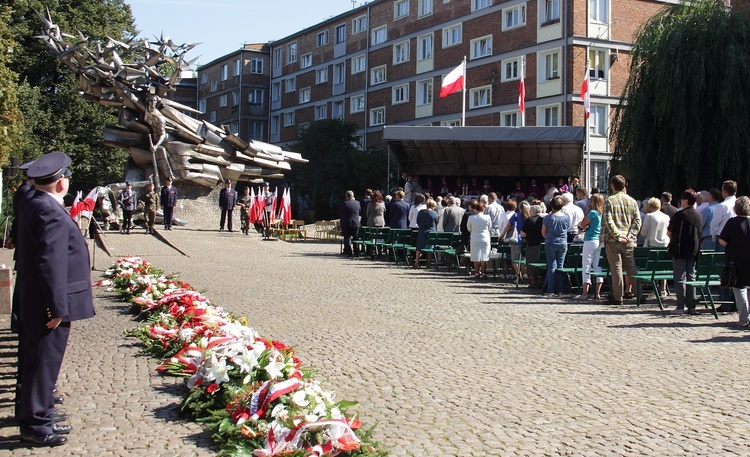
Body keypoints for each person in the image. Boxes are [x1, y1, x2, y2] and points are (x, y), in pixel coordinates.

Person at [16, 151, 95, 447]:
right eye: (66, 177)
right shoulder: (47, 210)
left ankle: (41, 414)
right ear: (60, 182)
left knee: (40, 363)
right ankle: (36, 425)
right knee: (42, 363)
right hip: (47, 304)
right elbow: (50, 262)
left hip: (39, 299)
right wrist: (56, 306)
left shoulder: (37, 203)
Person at [601, 175, 642, 305]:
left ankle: (618, 297)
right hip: (628, 240)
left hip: (614, 240)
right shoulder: (632, 201)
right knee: (631, 267)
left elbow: (608, 220)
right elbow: (637, 221)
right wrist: (630, 235)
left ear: (612, 185)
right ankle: (639, 294)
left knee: (616, 268)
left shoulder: (609, 201)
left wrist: (618, 235)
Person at [667, 189, 703, 315]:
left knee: (680, 277)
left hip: (679, 249)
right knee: (691, 276)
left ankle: (680, 305)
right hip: (693, 250)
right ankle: (691, 306)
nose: (681, 201)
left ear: (686, 200)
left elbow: (669, 232)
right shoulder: (698, 215)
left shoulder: (679, 215)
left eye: (682, 199)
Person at [719, 196, 750, 327]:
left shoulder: (732, 223)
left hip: (736, 260)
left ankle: (744, 318)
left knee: (739, 289)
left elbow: (722, 241)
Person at [711, 180, 738, 311]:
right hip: (738, 241)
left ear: (725, 191)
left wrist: (714, 236)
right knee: (736, 270)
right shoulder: (739, 204)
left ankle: (725, 301)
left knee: (723, 270)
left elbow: (714, 225)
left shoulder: (722, 206)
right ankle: (736, 301)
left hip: (723, 240)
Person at [577, 193, 605, 300]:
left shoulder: (592, 213)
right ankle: (597, 292)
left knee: (587, 265)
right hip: (600, 240)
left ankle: (585, 293)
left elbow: (583, 224)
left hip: (590, 239)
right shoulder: (602, 213)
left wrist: (587, 211)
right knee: (598, 266)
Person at [542, 195, 570, 295]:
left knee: (552, 266)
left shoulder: (548, 218)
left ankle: (550, 289)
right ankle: (560, 289)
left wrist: (548, 238)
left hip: (550, 242)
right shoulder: (566, 217)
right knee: (560, 266)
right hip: (562, 242)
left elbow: (543, 232)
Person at [499, 199, 528, 281]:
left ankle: (519, 276)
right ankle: (522, 274)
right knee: (523, 259)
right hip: (526, 240)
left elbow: (507, 227)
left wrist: (501, 236)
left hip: (516, 239)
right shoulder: (529, 216)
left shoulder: (515, 216)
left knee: (515, 259)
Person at [522, 204, 545, 288]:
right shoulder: (543, 220)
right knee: (542, 262)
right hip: (542, 245)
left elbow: (523, 234)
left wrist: (526, 238)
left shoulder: (529, 220)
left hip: (531, 245)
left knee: (530, 263)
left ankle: (533, 282)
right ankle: (542, 280)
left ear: (533, 212)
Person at [467, 200, 492, 279]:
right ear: (483, 209)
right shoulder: (487, 217)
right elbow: (490, 227)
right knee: (484, 255)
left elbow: (469, 228)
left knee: (475, 255)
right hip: (485, 237)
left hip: (475, 237)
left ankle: (477, 272)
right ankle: (484, 272)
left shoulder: (471, 217)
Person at [413, 199, 439, 268]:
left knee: (419, 248)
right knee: (430, 247)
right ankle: (429, 263)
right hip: (431, 231)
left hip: (422, 231)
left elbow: (418, 221)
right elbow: (437, 222)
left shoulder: (421, 212)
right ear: (433, 206)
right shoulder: (435, 213)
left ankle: (417, 262)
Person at [339, 190, 361, 257]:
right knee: (356, 238)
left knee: (347, 238)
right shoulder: (357, 203)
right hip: (356, 223)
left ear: (347, 196)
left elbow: (340, 213)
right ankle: (356, 252)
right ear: (353, 196)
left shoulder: (344, 203)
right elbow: (359, 211)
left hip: (347, 222)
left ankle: (349, 252)